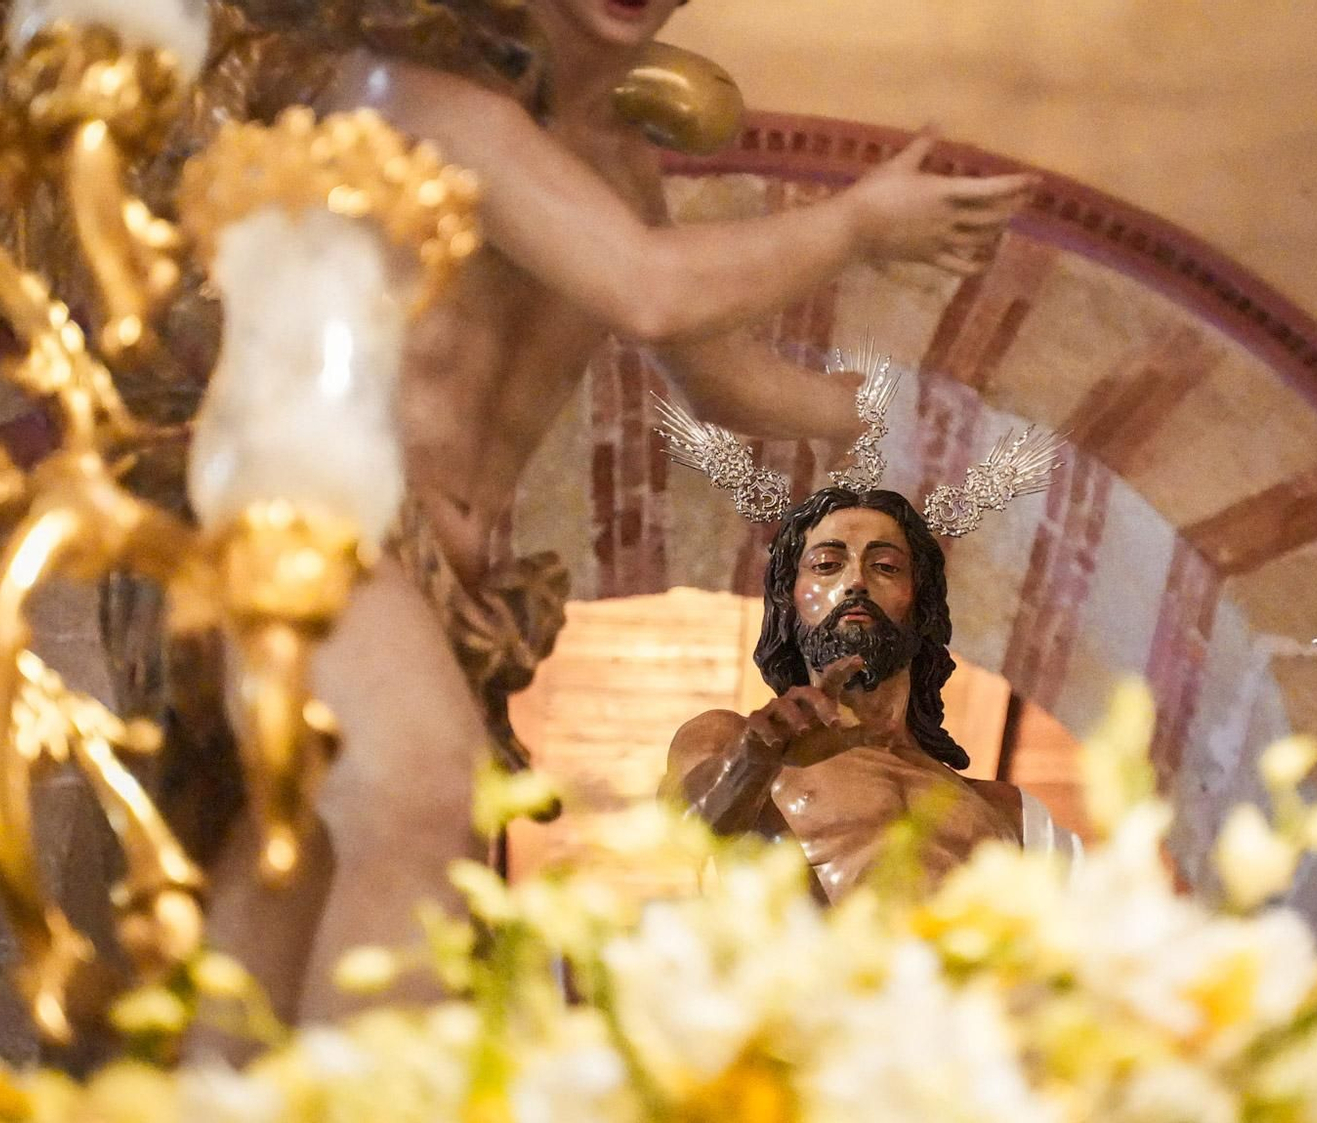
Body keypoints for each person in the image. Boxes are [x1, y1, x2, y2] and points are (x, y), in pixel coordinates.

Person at [198, 0, 1037, 1027]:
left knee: (295, 849)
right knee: (422, 793)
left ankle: (221, 1084)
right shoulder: (421, 99)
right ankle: (371, 1090)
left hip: (458, 588)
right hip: (315, 515)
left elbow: (721, 379)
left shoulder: (618, 171)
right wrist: (854, 226)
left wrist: (896, 416)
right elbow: (649, 291)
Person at [664, 488, 1077, 904]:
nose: (856, 581)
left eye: (885, 566)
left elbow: (1075, 927)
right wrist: (757, 756)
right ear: (789, 601)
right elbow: (682, 835)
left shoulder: (1007, 811)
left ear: (920, 602)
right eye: (827, 565)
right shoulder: (729, 740)